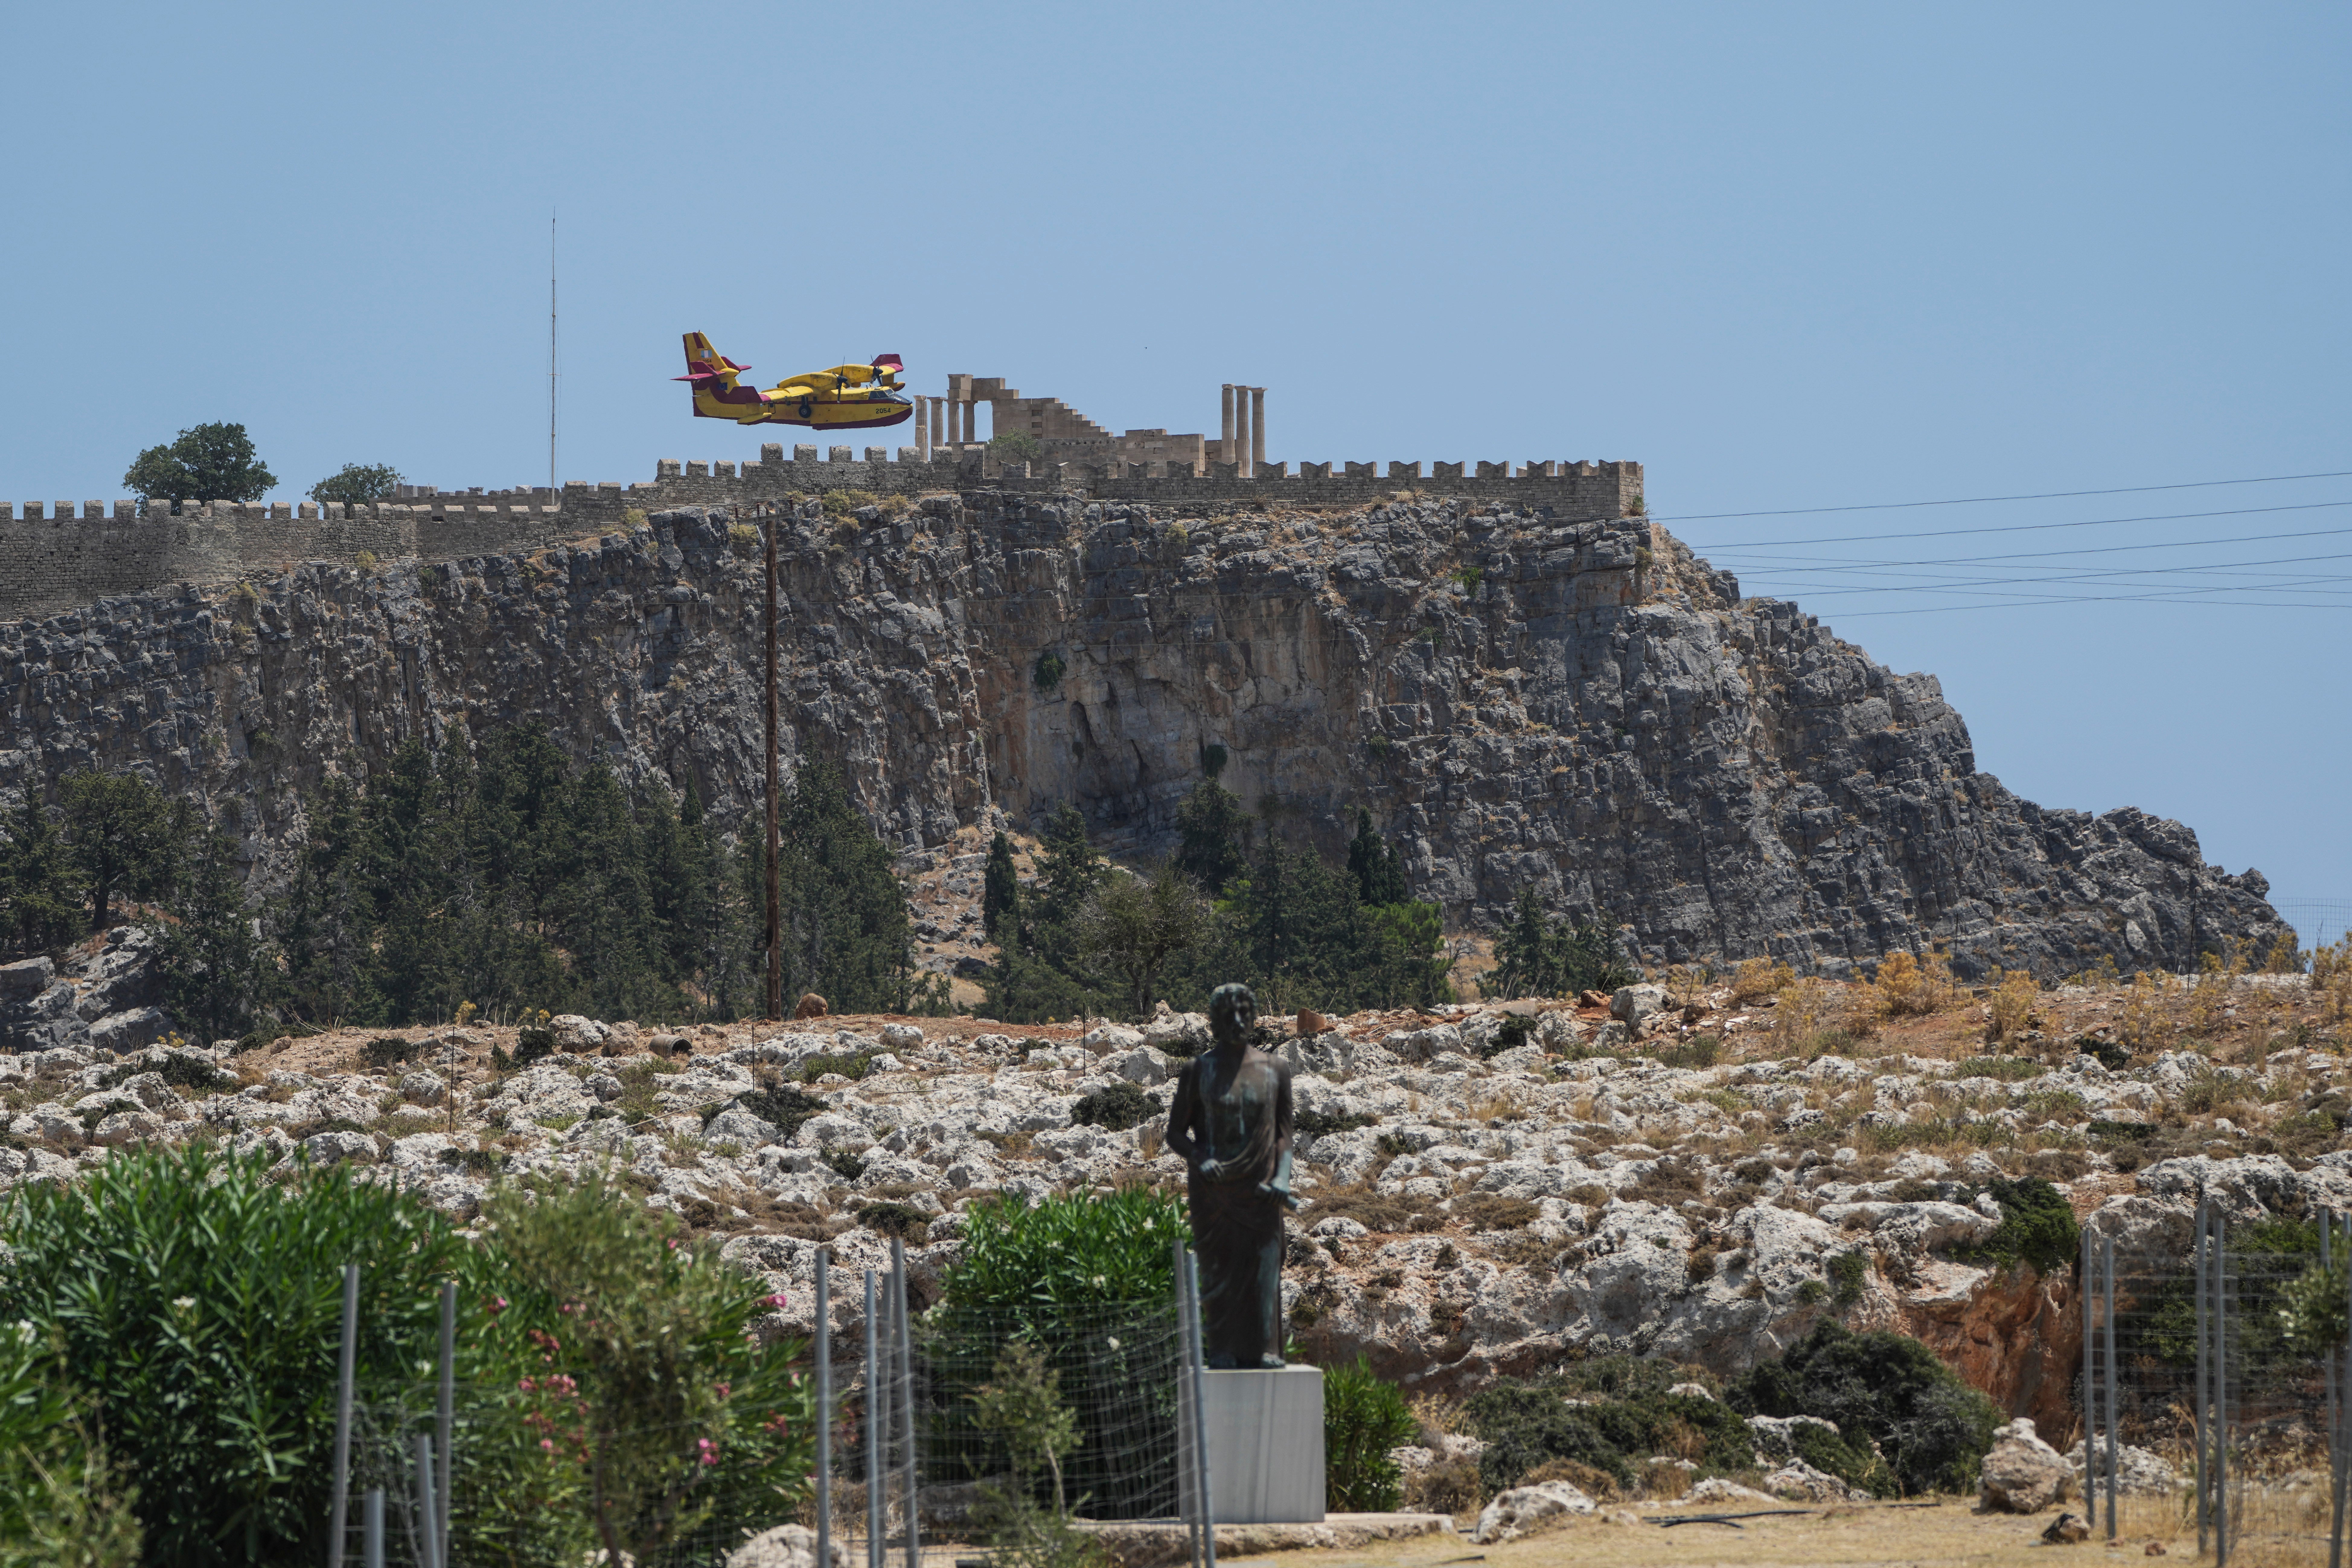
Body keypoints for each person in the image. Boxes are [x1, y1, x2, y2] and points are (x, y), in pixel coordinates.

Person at [1164, 982, 1296, 1368]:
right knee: (1219, 1270)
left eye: (1244, 1012)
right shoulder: (1197, 1070)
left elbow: (1285, 1135)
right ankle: (1222, 1348)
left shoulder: (1276, 1069)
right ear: (1215, 1021)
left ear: (1254, 1017)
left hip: (1263, 1189)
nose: (1238, 1021)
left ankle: (1266, 1347)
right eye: (1228, 1014)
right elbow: (1175, 1133)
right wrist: (1199, 1158)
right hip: (1214, 1190)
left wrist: (1282, 1178)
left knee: (1266, 1266)